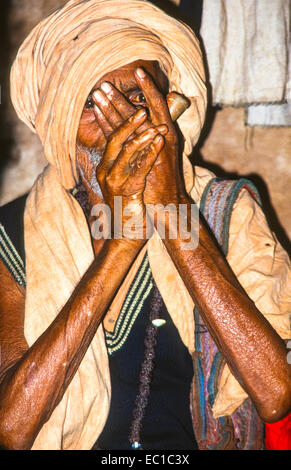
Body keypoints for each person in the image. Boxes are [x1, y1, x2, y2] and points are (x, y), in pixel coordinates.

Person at [0, 0, 290, 450]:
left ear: (168, 109)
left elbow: (274, 394)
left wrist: (173, 206)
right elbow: (11, 428)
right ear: (60, 119)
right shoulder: (12, 235)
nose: (128, 124)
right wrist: (122, 242)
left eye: (139, 99)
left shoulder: (225, 211)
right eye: (96, 105)